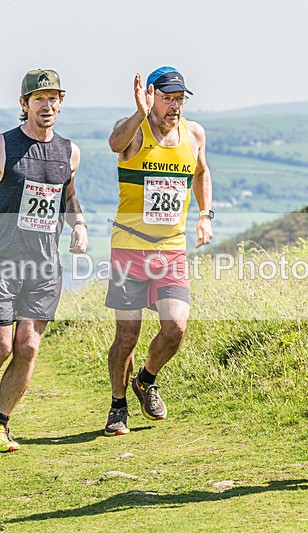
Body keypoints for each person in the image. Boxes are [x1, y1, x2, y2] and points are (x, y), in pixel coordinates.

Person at [0, 69, 87, 453]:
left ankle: (0, 423)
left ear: (61, 103)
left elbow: (69, 195)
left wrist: (79, 226)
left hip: (44, 267)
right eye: (39, 99)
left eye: (53, 98)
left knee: (27, 346)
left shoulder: (70, 152)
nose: (47, 105)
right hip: (1, 263)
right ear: (24, 104)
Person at [103, 66, 213, 436]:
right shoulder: (134, 128)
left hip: (171, 250)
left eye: (180, 99)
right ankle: (118, 406)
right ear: (151, 95)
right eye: (167, 99)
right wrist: (139, 111)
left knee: (176, 327)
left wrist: (205, 216)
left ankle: (146, 379)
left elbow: (201, 172)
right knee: (127, 334)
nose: (175, 107)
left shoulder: (194, 133)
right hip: (128, 248)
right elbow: (115, 144)